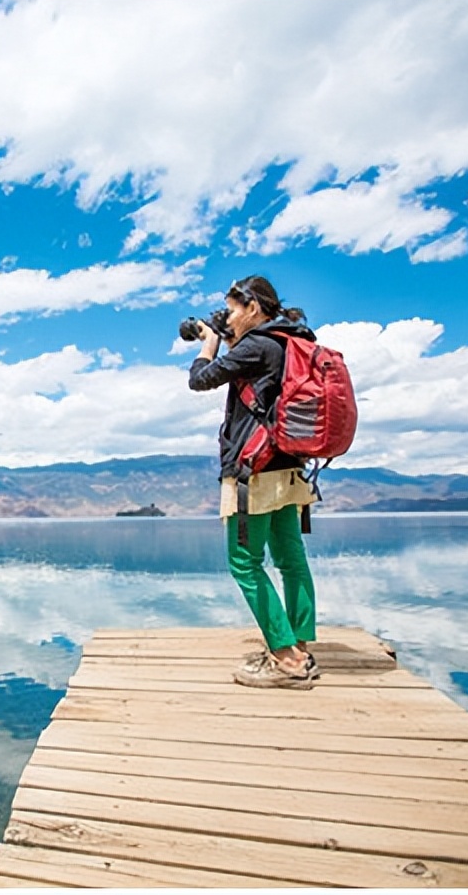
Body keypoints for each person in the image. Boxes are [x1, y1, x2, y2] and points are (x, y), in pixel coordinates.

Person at [188, 275, 321, 690]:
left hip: (256, 470)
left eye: (230, 308)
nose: (226, 316)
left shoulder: (257, 345)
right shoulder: (287, 341)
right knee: (290, 558)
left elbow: (200, 380)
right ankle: (298, 646)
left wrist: (208, 345)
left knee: (244, 561)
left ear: (252, 307)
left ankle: (284, 660)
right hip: (290, 468)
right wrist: (231, 341)